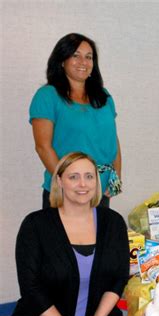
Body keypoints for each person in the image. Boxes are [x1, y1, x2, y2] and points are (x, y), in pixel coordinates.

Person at [7, 152, 129, 316]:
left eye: (89, 176)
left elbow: (118, 278)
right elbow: (30, 288)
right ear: (59, 181)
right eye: (74, 177)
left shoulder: (113, 223)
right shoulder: (35, 225)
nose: (83, 184)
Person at [30, 33, 122, 209]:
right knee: (61, 237)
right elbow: (43, 146)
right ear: (62, 60)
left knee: (97, 237)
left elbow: (112, 138)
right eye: (76, 55)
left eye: (89, 57)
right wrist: (67, 183)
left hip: (99, 190)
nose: (83, 62)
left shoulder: (104, 96)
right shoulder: (47, 96)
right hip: (65, 192)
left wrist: (116, 176)